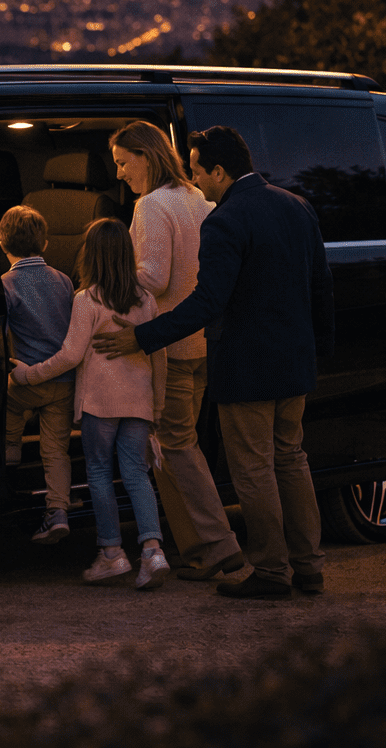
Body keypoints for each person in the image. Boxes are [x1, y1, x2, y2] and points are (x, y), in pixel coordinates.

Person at [93, 126, 334, 601]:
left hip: (247, 368)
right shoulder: (297, 206)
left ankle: (270, 570)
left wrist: (141, 337)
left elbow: (208, 303)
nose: (195, 181)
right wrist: (318, 353)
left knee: (255, 470)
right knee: (291, 459)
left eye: (200, 171)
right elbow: (320, 287)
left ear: (220, 171)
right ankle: (309, 567)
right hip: (295, 364)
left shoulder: (225, 220)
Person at [109, 121, 245, 581]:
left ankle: (221, 546)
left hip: (169, 348)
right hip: (203, 341)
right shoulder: (198, 200)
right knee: (171, 448)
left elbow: (153, 277)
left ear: (146, 157)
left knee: (176, 446)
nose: (121, 173)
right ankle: (196, 550)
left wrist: (99, 285)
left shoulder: (152, 205)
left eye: (124, 162)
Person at [11, 217, 169, 590]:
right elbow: (158, 354)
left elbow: (69, 356)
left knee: (99, 473)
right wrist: (157, 406)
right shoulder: (145, 300)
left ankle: (111, 553)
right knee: (136, 473)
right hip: (139, 402)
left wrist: (27, 375)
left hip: (100, 404)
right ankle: (152, 550)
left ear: (91, 255)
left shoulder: (88, 299)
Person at [0, 205, 76, 544]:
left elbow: (1, 334)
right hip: (62, 381)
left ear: (2, 244)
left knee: (7, 404)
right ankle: (57, 511)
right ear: (45, 244)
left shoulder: (6, 285)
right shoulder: (64, 280)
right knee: (56, 449)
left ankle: (11, 448)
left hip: (26, 384)